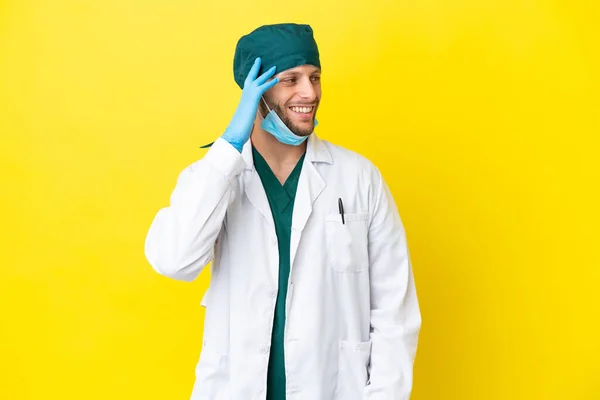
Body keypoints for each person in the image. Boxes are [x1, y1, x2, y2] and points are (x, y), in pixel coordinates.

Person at [144, 23, 421, 400]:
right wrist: (229, 146)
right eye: (290, 79)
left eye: (315, 77)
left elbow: (394, 312)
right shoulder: (215, 176)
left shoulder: (359, 178)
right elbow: (175, 260)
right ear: (255, 92)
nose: (309, 92)